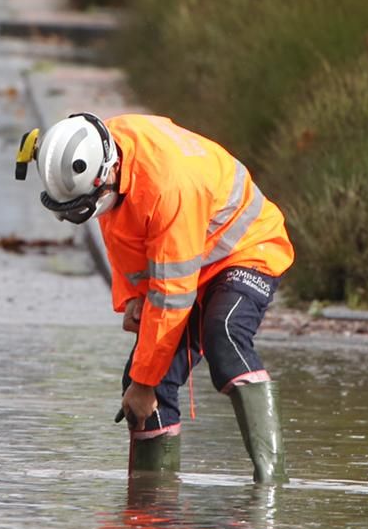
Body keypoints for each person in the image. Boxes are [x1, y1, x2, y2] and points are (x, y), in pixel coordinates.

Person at [15, 112, 294, 483]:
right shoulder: (105, 149)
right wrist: (133, 296)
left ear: (107, 172)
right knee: (145, 379)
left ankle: (272, 485)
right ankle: (152, 515)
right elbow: (122, 224)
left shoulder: (169, 186)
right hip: (187, 260)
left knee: (223, 334)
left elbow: (174, 295)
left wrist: (144, 384)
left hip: (244, 250)